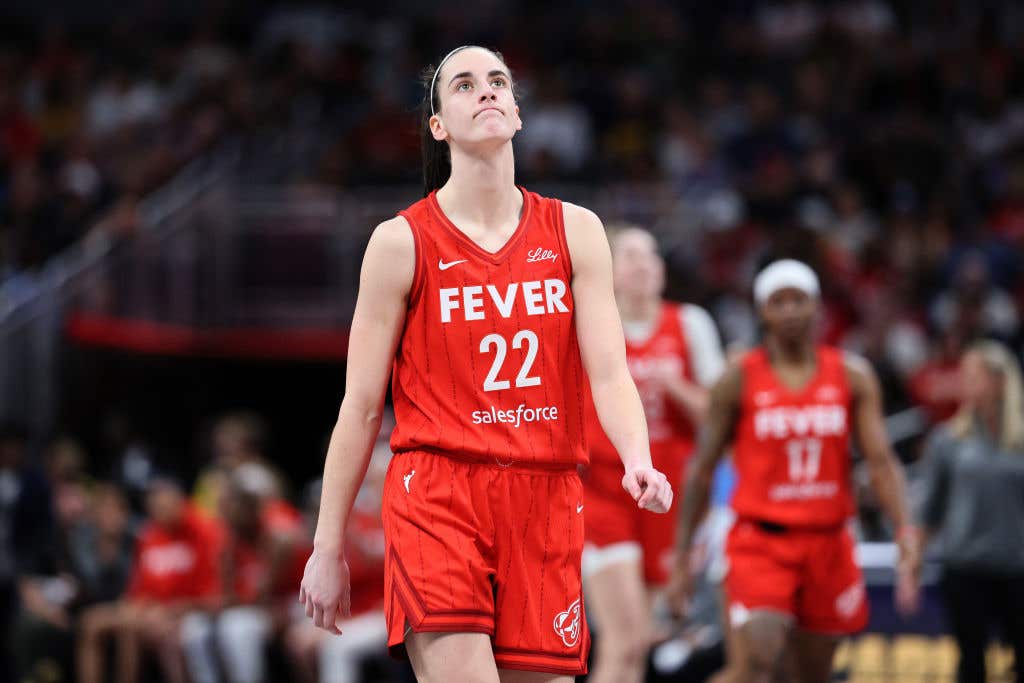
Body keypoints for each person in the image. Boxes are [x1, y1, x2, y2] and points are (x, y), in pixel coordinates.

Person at [298, 44, 673, 682]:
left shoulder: (576, 230)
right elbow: (361, 407)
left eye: (498, 82)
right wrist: (326, 545)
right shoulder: (399, 242)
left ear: (519, 114)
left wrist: (638, 456)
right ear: (438, 125)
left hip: (546, 493)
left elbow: (609, 372)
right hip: (438, 490)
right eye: (466, 85)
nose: (488, 92)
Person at [669, 259, 921, 683]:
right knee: (754, 664)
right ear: (761, 311)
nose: (788, 311)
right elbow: (701, 469)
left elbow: (880, 462)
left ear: (818, 307)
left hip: (828, 541)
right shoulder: (738, 379)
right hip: (761, 541)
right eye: (777, 302)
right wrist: (681, 559)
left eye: (798, 300)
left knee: (809, 675)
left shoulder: (852, 376)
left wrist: (905, 530)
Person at [581, 225, 724, 683]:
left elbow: (720, 418)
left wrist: (677, 387)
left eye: (651, 255)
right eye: (630, 255)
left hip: (670, 498)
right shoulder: (586, 322)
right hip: (603, 493)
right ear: (609, 268)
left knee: (642, 639)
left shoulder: (690, 323)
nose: (643, 264)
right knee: (624, 639)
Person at [917, 340, 1024, 683]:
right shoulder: (948, 439)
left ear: (1000, 381)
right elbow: (929, 508)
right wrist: (910, 565)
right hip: (965, 569)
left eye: (974, 376)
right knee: (971, 664)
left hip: (1018, 568)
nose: (965, 384)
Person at [77, 475, 222, 683]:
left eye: (164, 505)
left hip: (185, 612)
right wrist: (135, 605)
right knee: (93, 622)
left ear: (180, 502)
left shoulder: (204, 533)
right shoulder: (151, 535)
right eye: (154, 507)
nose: (159, 512)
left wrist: (172, 610)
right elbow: (139, 587)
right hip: (151, 610)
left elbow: (213, 594)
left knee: (131, 628)